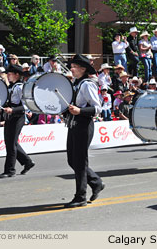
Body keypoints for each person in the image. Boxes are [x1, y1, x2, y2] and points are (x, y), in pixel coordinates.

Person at [64, 54, 105, 208]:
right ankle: (96, 182)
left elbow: (97, 108)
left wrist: (79, 111)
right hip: (73, 124)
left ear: (82, 69)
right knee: (72, 160)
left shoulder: (87, 84)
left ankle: (80, 196)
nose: (72, 69)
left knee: (80, 162)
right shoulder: (76, 83)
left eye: (74, 67)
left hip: (83, 125)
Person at [0, 64, 35, 178]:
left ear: (17, 75)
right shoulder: (11, 86)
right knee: (10, 142)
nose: (7, 75)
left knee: (11, 144)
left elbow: (26, 106)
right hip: (11, 117)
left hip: (18, 117)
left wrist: (12, 109)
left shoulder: (19, 87)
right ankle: (27, 162)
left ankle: (10, 170)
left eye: (10, 74)